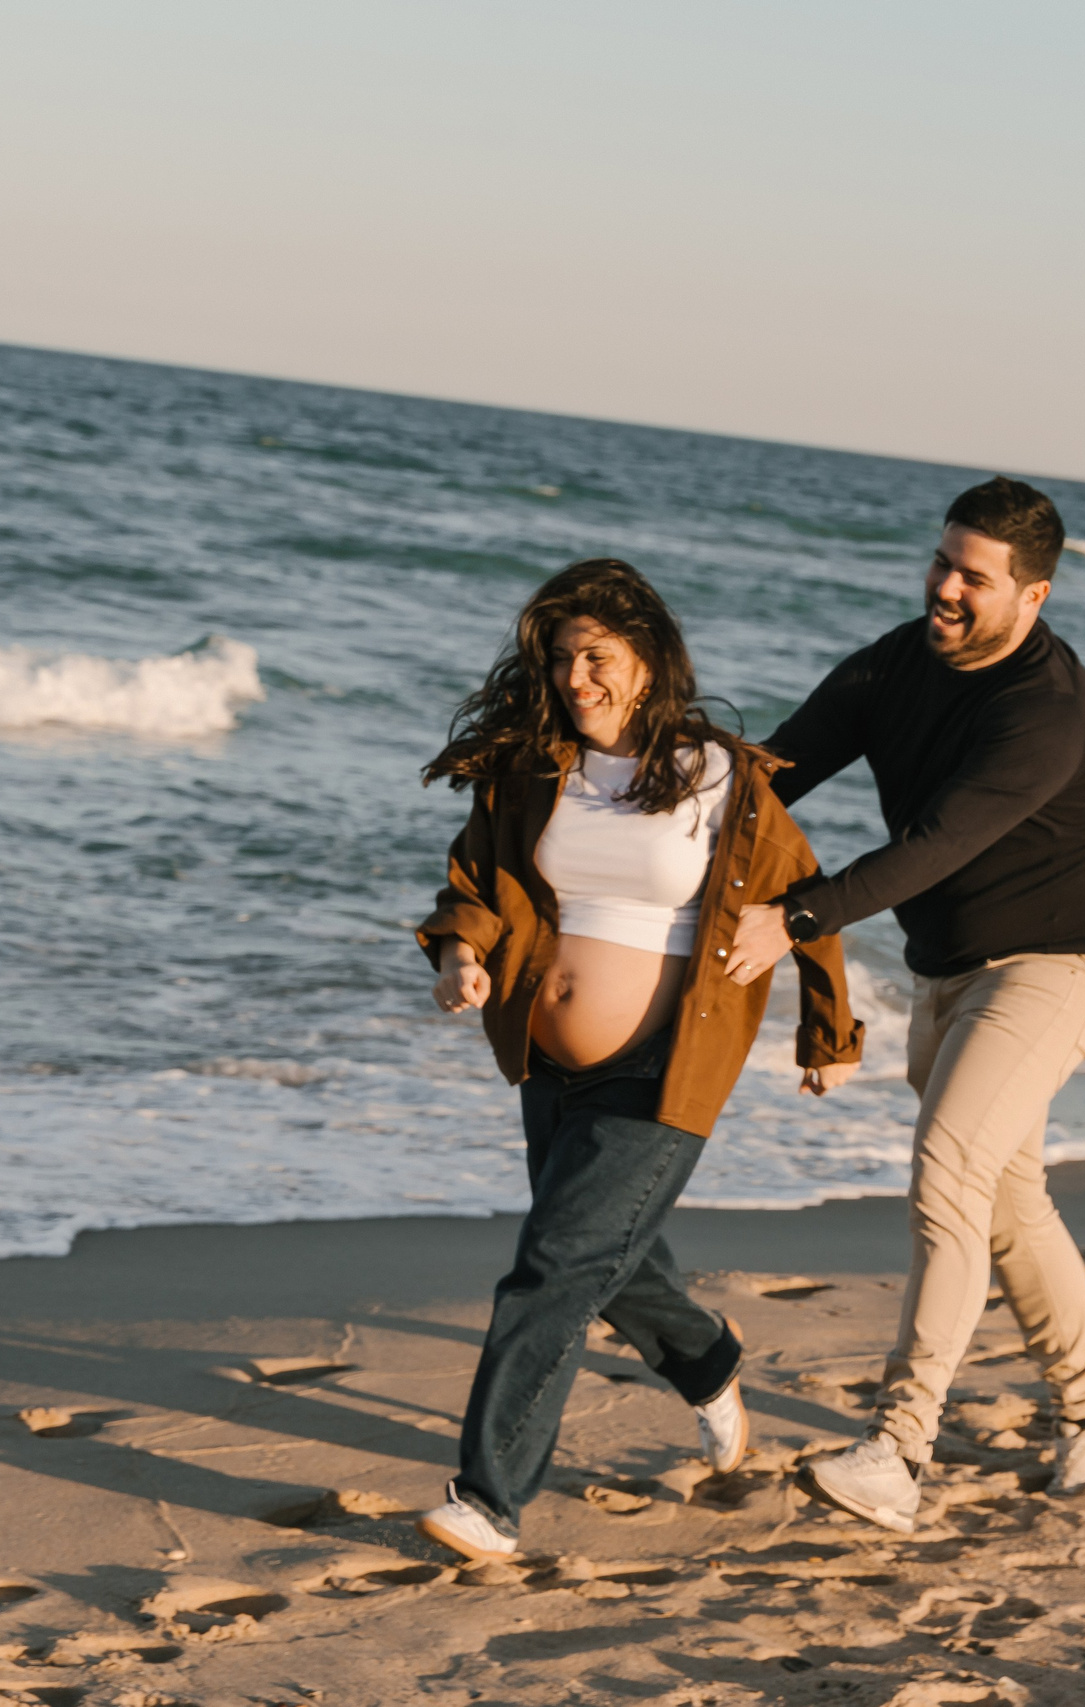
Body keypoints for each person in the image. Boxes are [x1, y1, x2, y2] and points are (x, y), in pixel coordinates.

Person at [723, 476, 1085, 1533]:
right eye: (941, 562)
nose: (946, 589)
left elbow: (929, 849)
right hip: (948, 968)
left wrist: (791, 920)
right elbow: (781, 769)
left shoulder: (1043, 712)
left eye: (974, 576)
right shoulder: (895, 659)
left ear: (1033, 598)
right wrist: (672, 817)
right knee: (1007, 1200)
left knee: (947, 1173)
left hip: (1054, 966)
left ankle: (899, 1450)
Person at [413, 558, 864, 1562]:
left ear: (649, 663)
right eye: (563, 658)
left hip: (663, 1071)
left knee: (552, 1271)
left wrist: (826, 1036)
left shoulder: (717, 778)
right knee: (601, 1265)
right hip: (547, 1057)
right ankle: (704, 1358)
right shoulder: (537, 768)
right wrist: (460, 953)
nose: (577, 678)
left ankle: (489, 1501)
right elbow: (479, 875)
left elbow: (805, 904)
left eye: (598, 657)